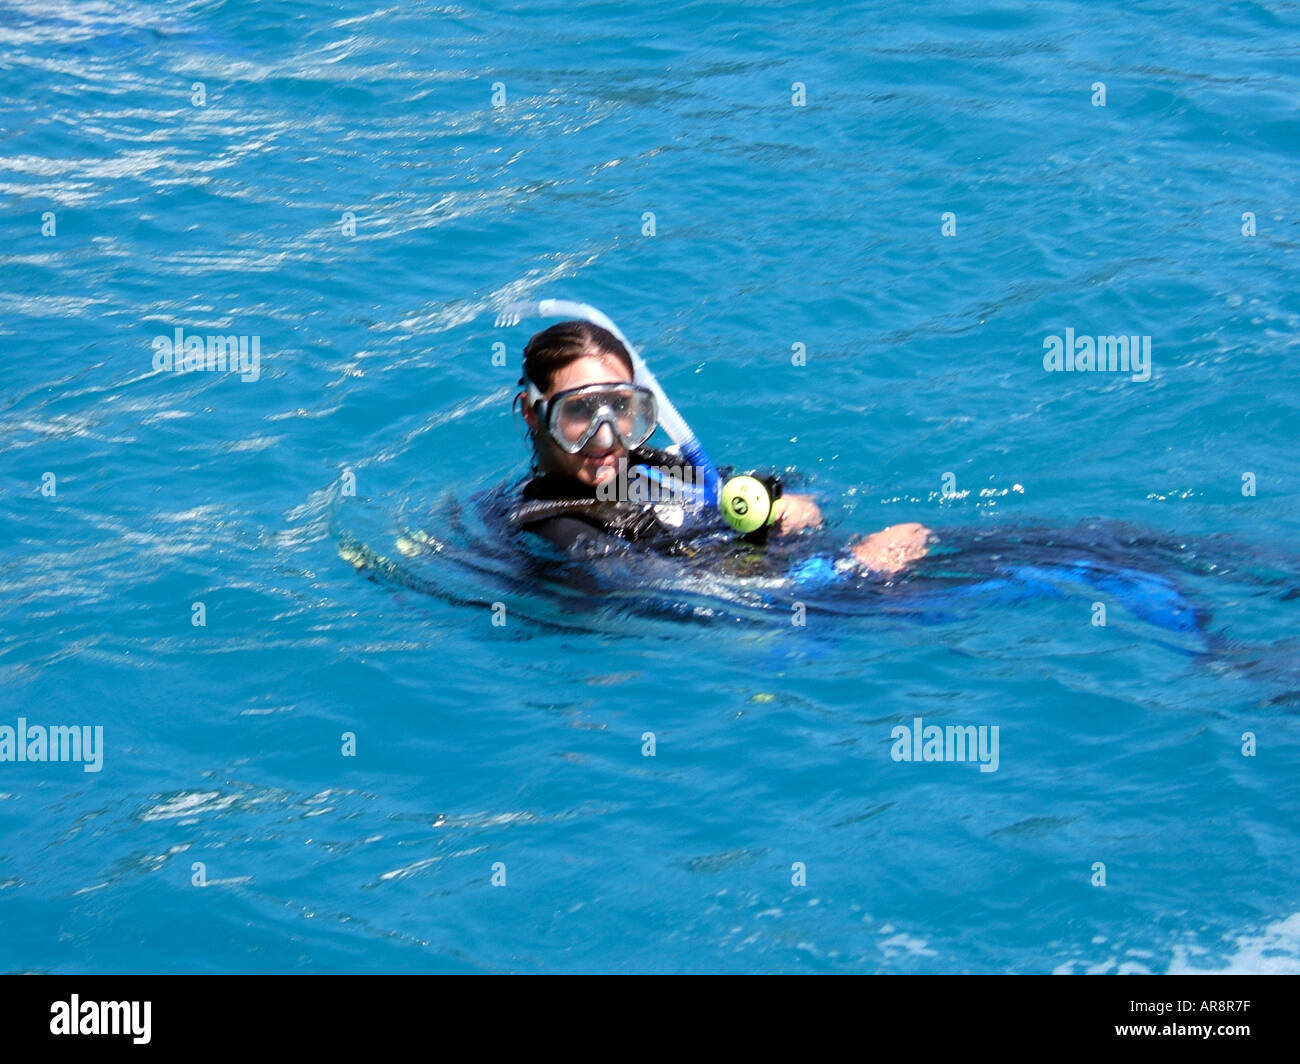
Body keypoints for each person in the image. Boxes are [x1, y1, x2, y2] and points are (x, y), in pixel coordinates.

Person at [510, 320, 932, 576]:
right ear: (533, 412)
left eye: (621, 408)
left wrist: (786, 508)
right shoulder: (557, 530)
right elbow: (682, 596)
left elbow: (746, 495)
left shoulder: (648, 469)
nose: (605, 436)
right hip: (815, 606)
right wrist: (854, 566)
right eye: (580, 412)